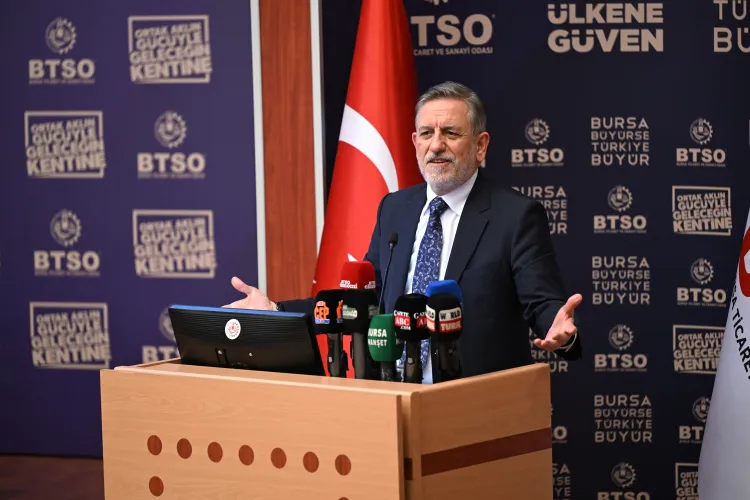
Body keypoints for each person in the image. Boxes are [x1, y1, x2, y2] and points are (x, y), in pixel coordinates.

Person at [225, 81, 582, 380]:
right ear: (415, 143)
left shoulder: (515, 215)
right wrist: (277, 308)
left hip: (475, 402)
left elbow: (543, 304)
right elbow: (362, 300)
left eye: (451, 133)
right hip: (391, 395)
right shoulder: (395, 209)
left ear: (480, 145)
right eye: (427, 133)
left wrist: (560, 331)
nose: (436, 145)